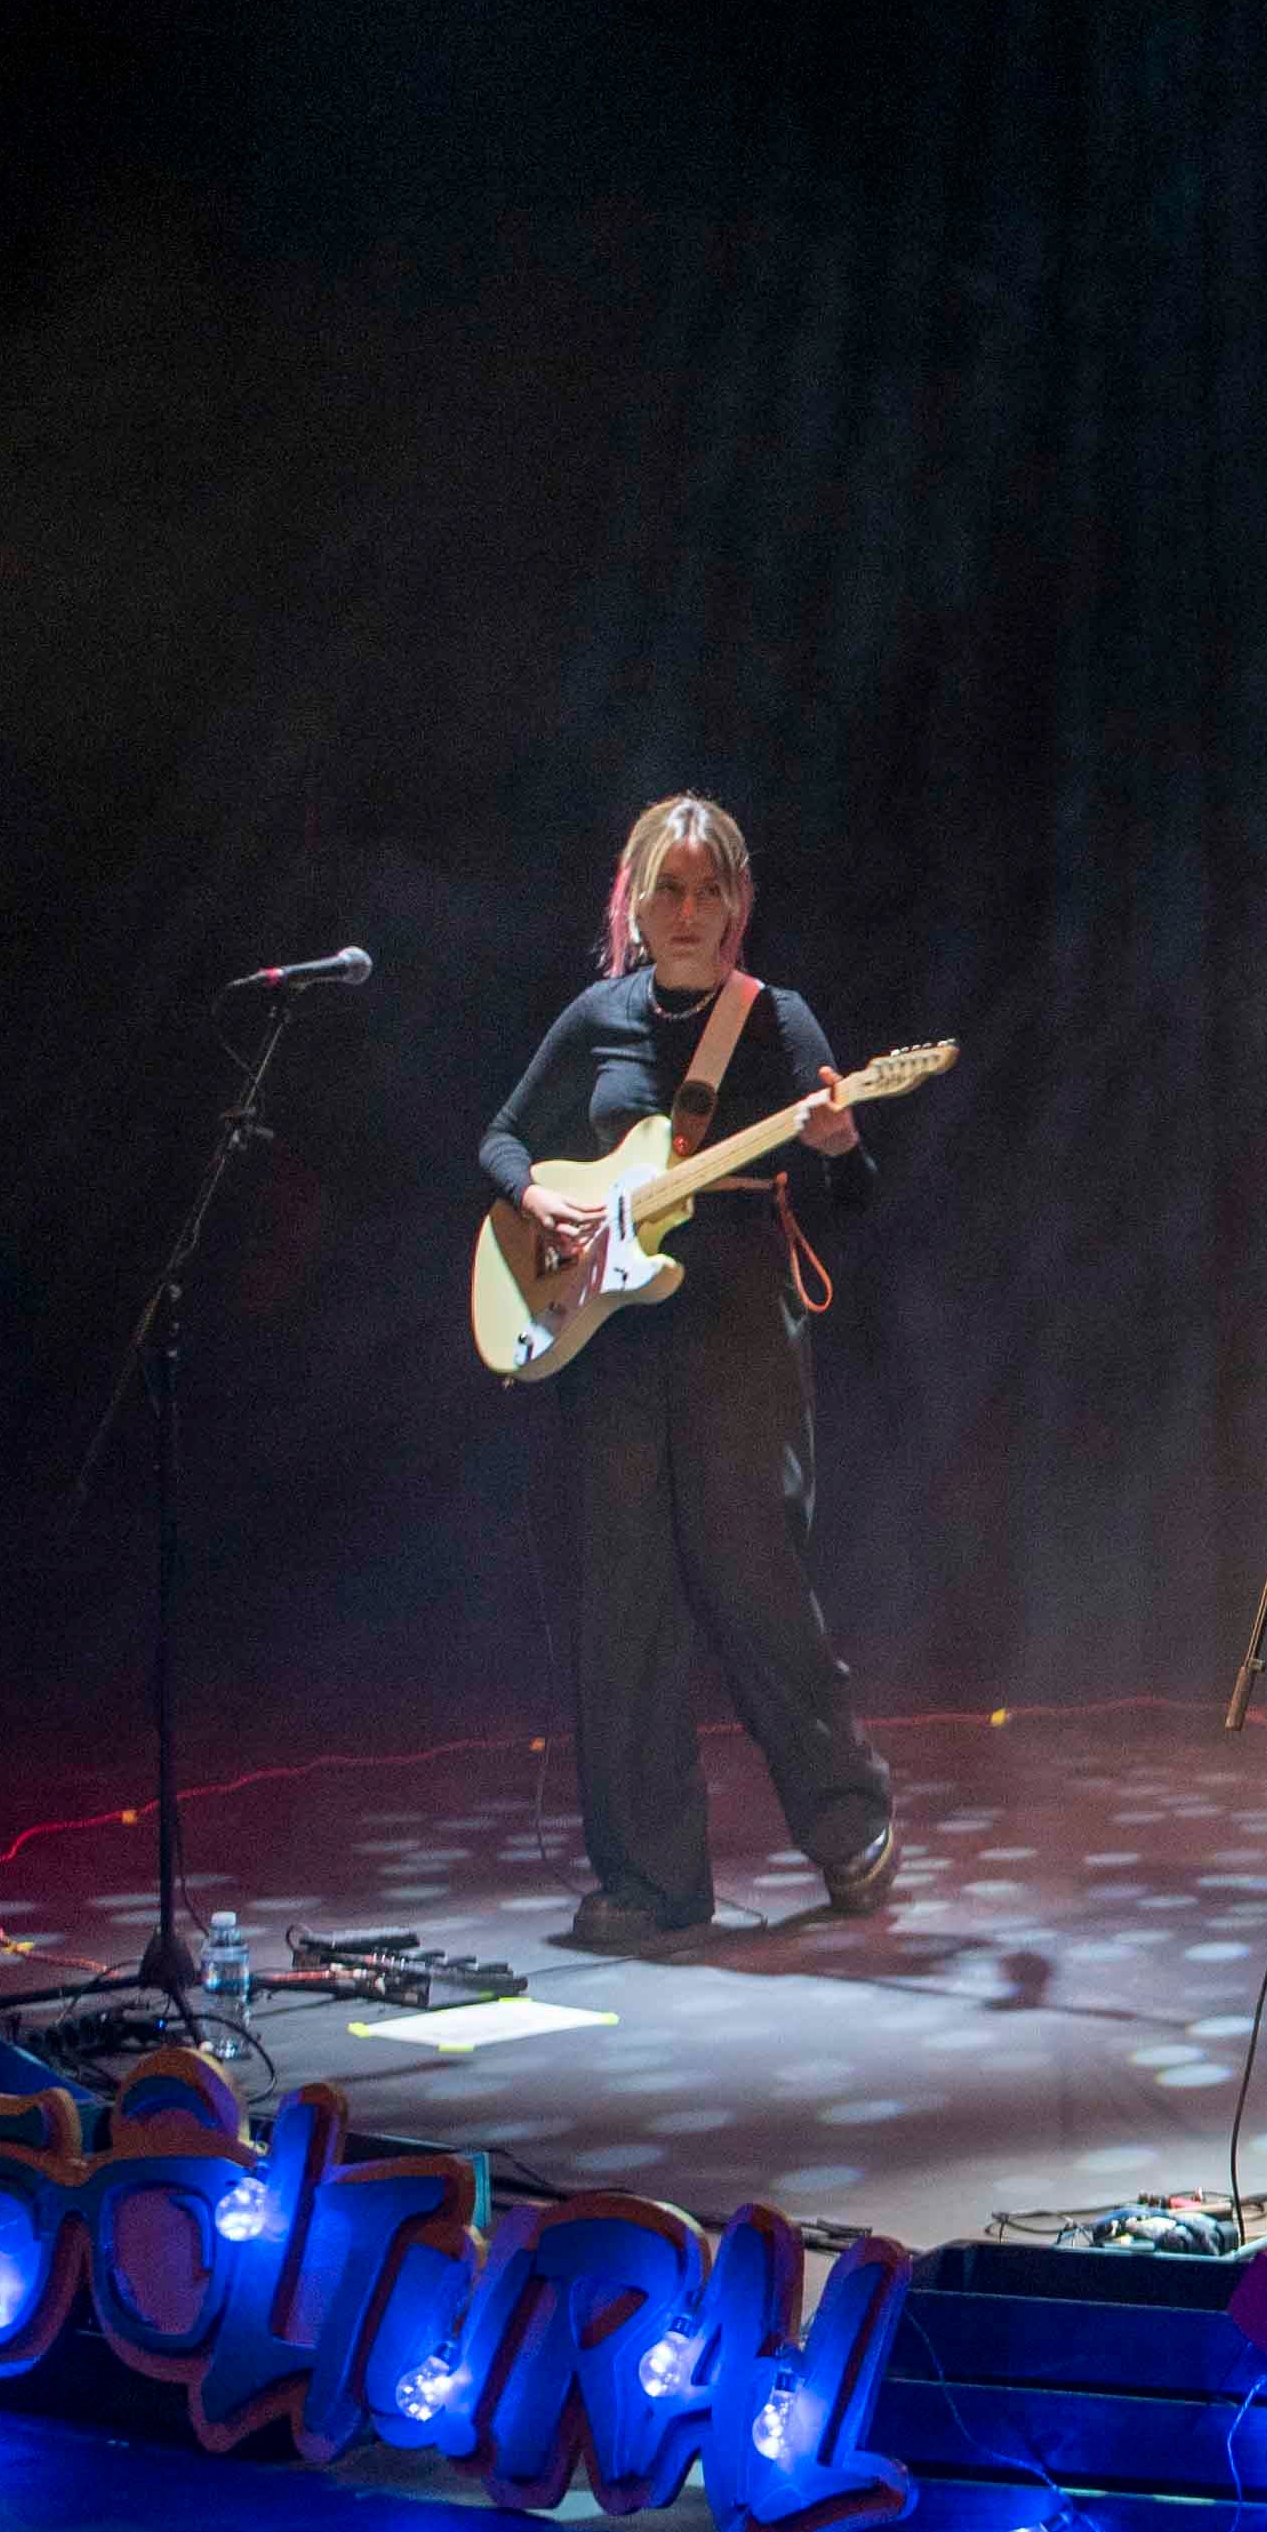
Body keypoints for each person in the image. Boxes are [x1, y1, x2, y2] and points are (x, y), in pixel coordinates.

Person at [481, 795, 903, 1945]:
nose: (686, 911)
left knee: (749, 1572)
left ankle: (848, 1821)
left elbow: (856, 1200)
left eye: (707, 889)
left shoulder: (777, 1022)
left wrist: (842, 1139)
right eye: (665, 889)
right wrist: (536, 1197)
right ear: (633, 900)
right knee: (624, 1602)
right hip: (614, 1336)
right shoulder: (598, 1016)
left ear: (736, 904)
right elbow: (503, 1137)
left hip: (734, 1331)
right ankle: (652, 1880)